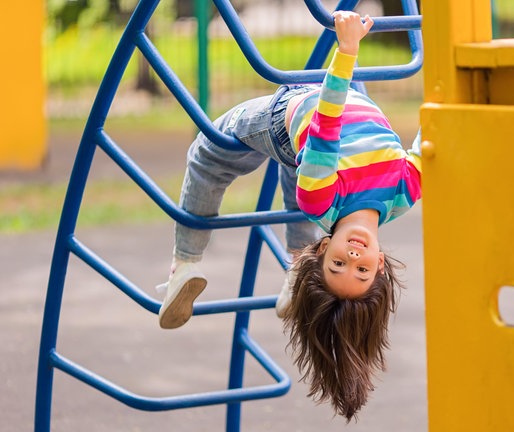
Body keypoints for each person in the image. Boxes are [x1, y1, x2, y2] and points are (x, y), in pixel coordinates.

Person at [156, 10, 422, 421]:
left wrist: (347, 51)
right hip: (355, 94)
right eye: (362, 271)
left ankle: (184, 264)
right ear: (380, 266)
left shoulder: (320, 196)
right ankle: (293, 272)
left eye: (337, 264)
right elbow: (432, 140)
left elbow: (326, 124)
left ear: (324, 250)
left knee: (208, 155)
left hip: (291, 117)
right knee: (296, 176)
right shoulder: (404, 193)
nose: (352, 257)